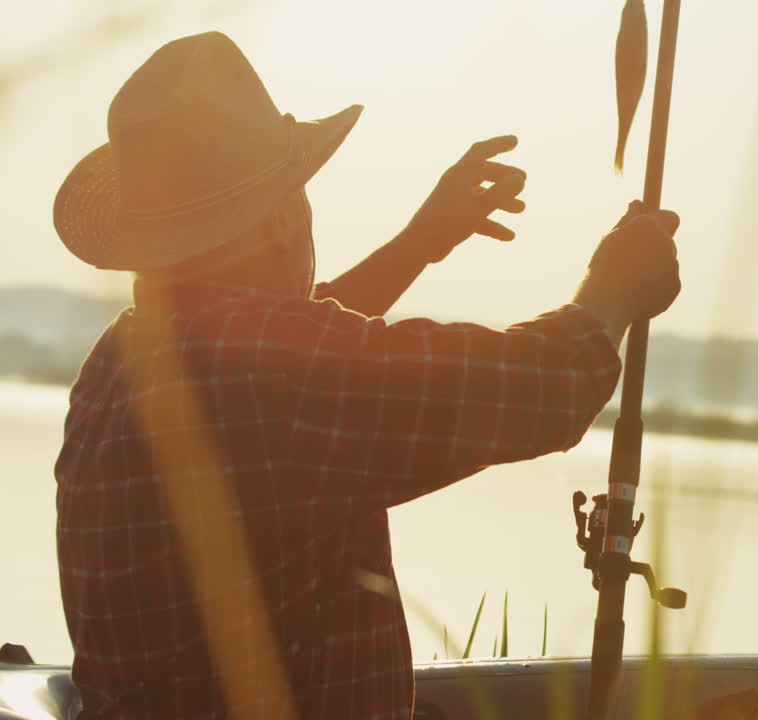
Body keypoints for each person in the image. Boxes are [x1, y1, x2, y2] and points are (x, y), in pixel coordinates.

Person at [52, 31, 680, 719]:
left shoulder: (118, 362)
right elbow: (540, 387)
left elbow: (292, 360)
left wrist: (418, 243)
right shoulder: (275, 378)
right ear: (283, 221)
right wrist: (614, 291)